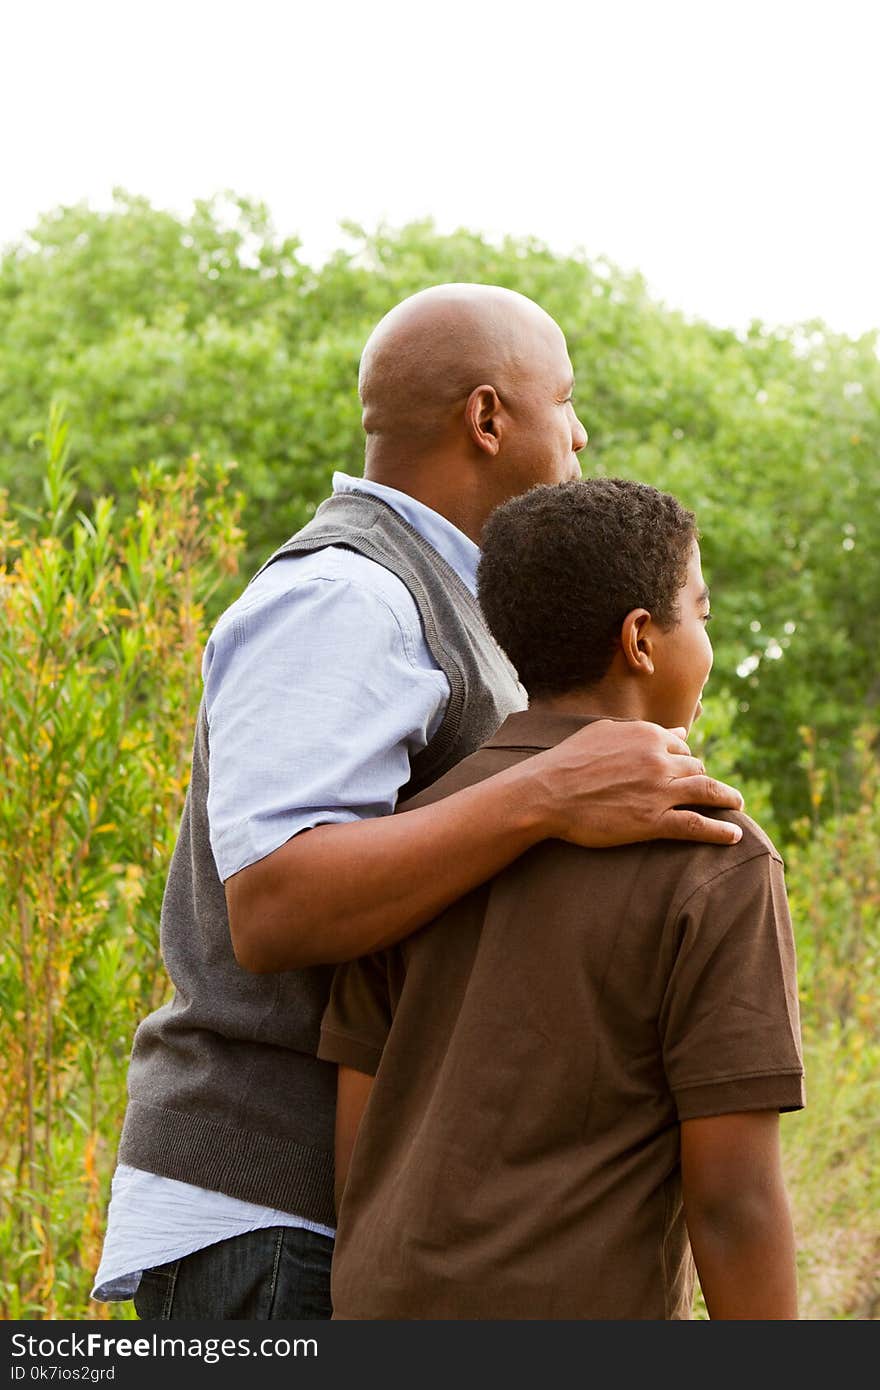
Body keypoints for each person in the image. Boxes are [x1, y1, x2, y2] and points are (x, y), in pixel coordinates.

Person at [92, 284, 745, 1321]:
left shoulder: (448, 603)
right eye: (563, 399)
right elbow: (273, 903)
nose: (581, 431)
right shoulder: (347, 595)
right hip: (274, 1222)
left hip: (352, 1223)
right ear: (487, 418)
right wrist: (546, 790)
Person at [319, 477, 805, 1321]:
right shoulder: (715, 854)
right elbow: (733, 1204)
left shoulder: (407, 841)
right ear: (642, 642)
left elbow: (361, 1153)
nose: (710, 639)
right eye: (703, 612)